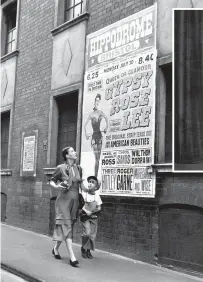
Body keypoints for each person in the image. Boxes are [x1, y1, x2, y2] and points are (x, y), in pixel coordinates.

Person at [49, 146, 88, 267]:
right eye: (72, 151)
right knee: (67, 225)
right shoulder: (60, 168)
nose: (75, 152)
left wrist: (91, 190)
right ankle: (72, 257)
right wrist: (56, 186)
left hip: (75, 202)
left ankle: (55, 249)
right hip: (63, 201)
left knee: (67, 226)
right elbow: (52, 180)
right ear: (66, 155)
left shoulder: (79, 168)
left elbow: (82, 186)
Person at [84, 93, 108, 178]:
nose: (97, 103)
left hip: (100, 137)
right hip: (94, 138)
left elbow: (106, 119)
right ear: (94, 102)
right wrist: (86, 134)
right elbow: (85, 125)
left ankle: (95, 177)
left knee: (98, 159)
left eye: (98, 101)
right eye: (96, 101)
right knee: (96, 158)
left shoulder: (101, 112)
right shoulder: (91, 114)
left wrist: (106, 128)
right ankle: (95, 177)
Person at [80, 175, 102, 259]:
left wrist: (95, 210)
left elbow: (99, 207)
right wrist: (86, 211)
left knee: (92, 236)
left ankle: (88, 251)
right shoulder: (84, 194)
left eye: (93, 182)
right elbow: (81, 205)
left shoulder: (97, 196)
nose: (90, 184)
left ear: (96, 186)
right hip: (86, 217)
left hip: (93, 217)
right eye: (89, 182)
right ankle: (83, 248)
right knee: (87, 233)